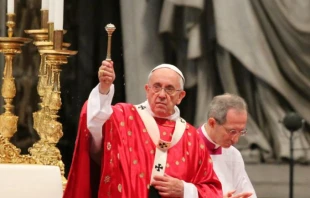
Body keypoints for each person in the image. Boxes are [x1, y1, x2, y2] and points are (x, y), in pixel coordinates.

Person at [63, 60, 222, 198]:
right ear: (147, 90)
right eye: (156, 87)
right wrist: (104, 89)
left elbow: (212, 190)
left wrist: (185, 189)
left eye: (169, 89)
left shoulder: (191, 136)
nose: (161, 94)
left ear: (181, 96)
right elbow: (94, 122)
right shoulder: (123, 116)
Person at [197, 94, 257, 198]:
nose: (236, 139)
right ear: (212, 123)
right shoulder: (187, 148)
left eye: (241, 131)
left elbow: (247, 193)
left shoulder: (233, 154)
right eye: (232, 131)